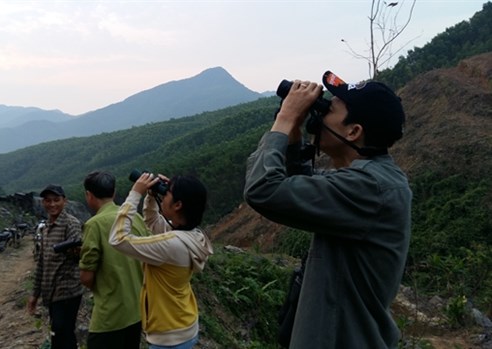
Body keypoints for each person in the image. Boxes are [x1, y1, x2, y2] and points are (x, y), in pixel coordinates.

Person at [244, 71, 412, 348]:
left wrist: (284, 119)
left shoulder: (370, 187)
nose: (319, 116)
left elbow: (264, 190)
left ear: (353, 131)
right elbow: (300, 184)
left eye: (328, 109)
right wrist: (295, 136)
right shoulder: (372, 179)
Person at [109, 172, 213, 349]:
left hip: (169, 336)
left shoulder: (173, 245)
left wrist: (135, 194)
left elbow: (118, 239)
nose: (164, 195)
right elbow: (153, 223)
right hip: (183, 323)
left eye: (168, 193)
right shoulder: (193, 236)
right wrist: (151, 196)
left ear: (178, 205)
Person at [78, 171, 149, 349]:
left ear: (89, 195)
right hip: (136, 312)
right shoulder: (136, 218)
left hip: (110, 316)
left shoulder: (94, 225)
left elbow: (86, 278)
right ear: (114, 192)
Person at [27, 184, 84, 349]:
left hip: (67, 291)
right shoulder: (46, 229)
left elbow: (78, 255)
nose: (52, 204)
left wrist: (71, 250)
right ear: (43, 202)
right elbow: (42, 264)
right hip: (51, 292)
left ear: (64, 201)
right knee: (60, 335)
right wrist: (34, 294)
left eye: (56, 200)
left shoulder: (71, 224)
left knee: (62, 332)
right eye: (48, 201)